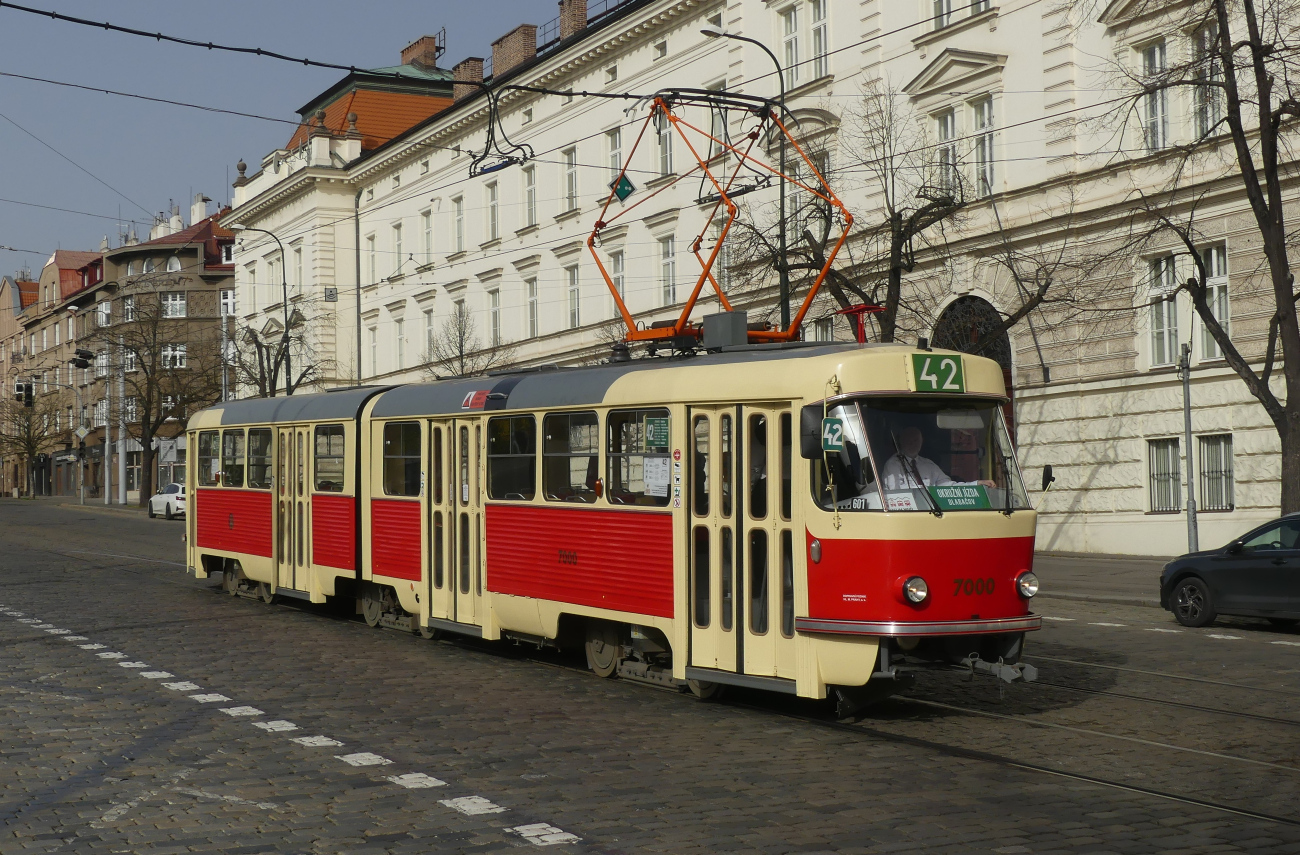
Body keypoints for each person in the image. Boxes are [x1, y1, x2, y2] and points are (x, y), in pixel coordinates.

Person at [880, 426, 994, 490]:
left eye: (916, 440)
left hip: (933, 512)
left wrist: (976, 484)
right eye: (909, 441)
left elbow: (948, 486)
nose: (913, 444)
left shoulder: (928, 464)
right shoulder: (893, 465)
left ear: (921, 442)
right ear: (901, 442)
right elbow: (896, 492)